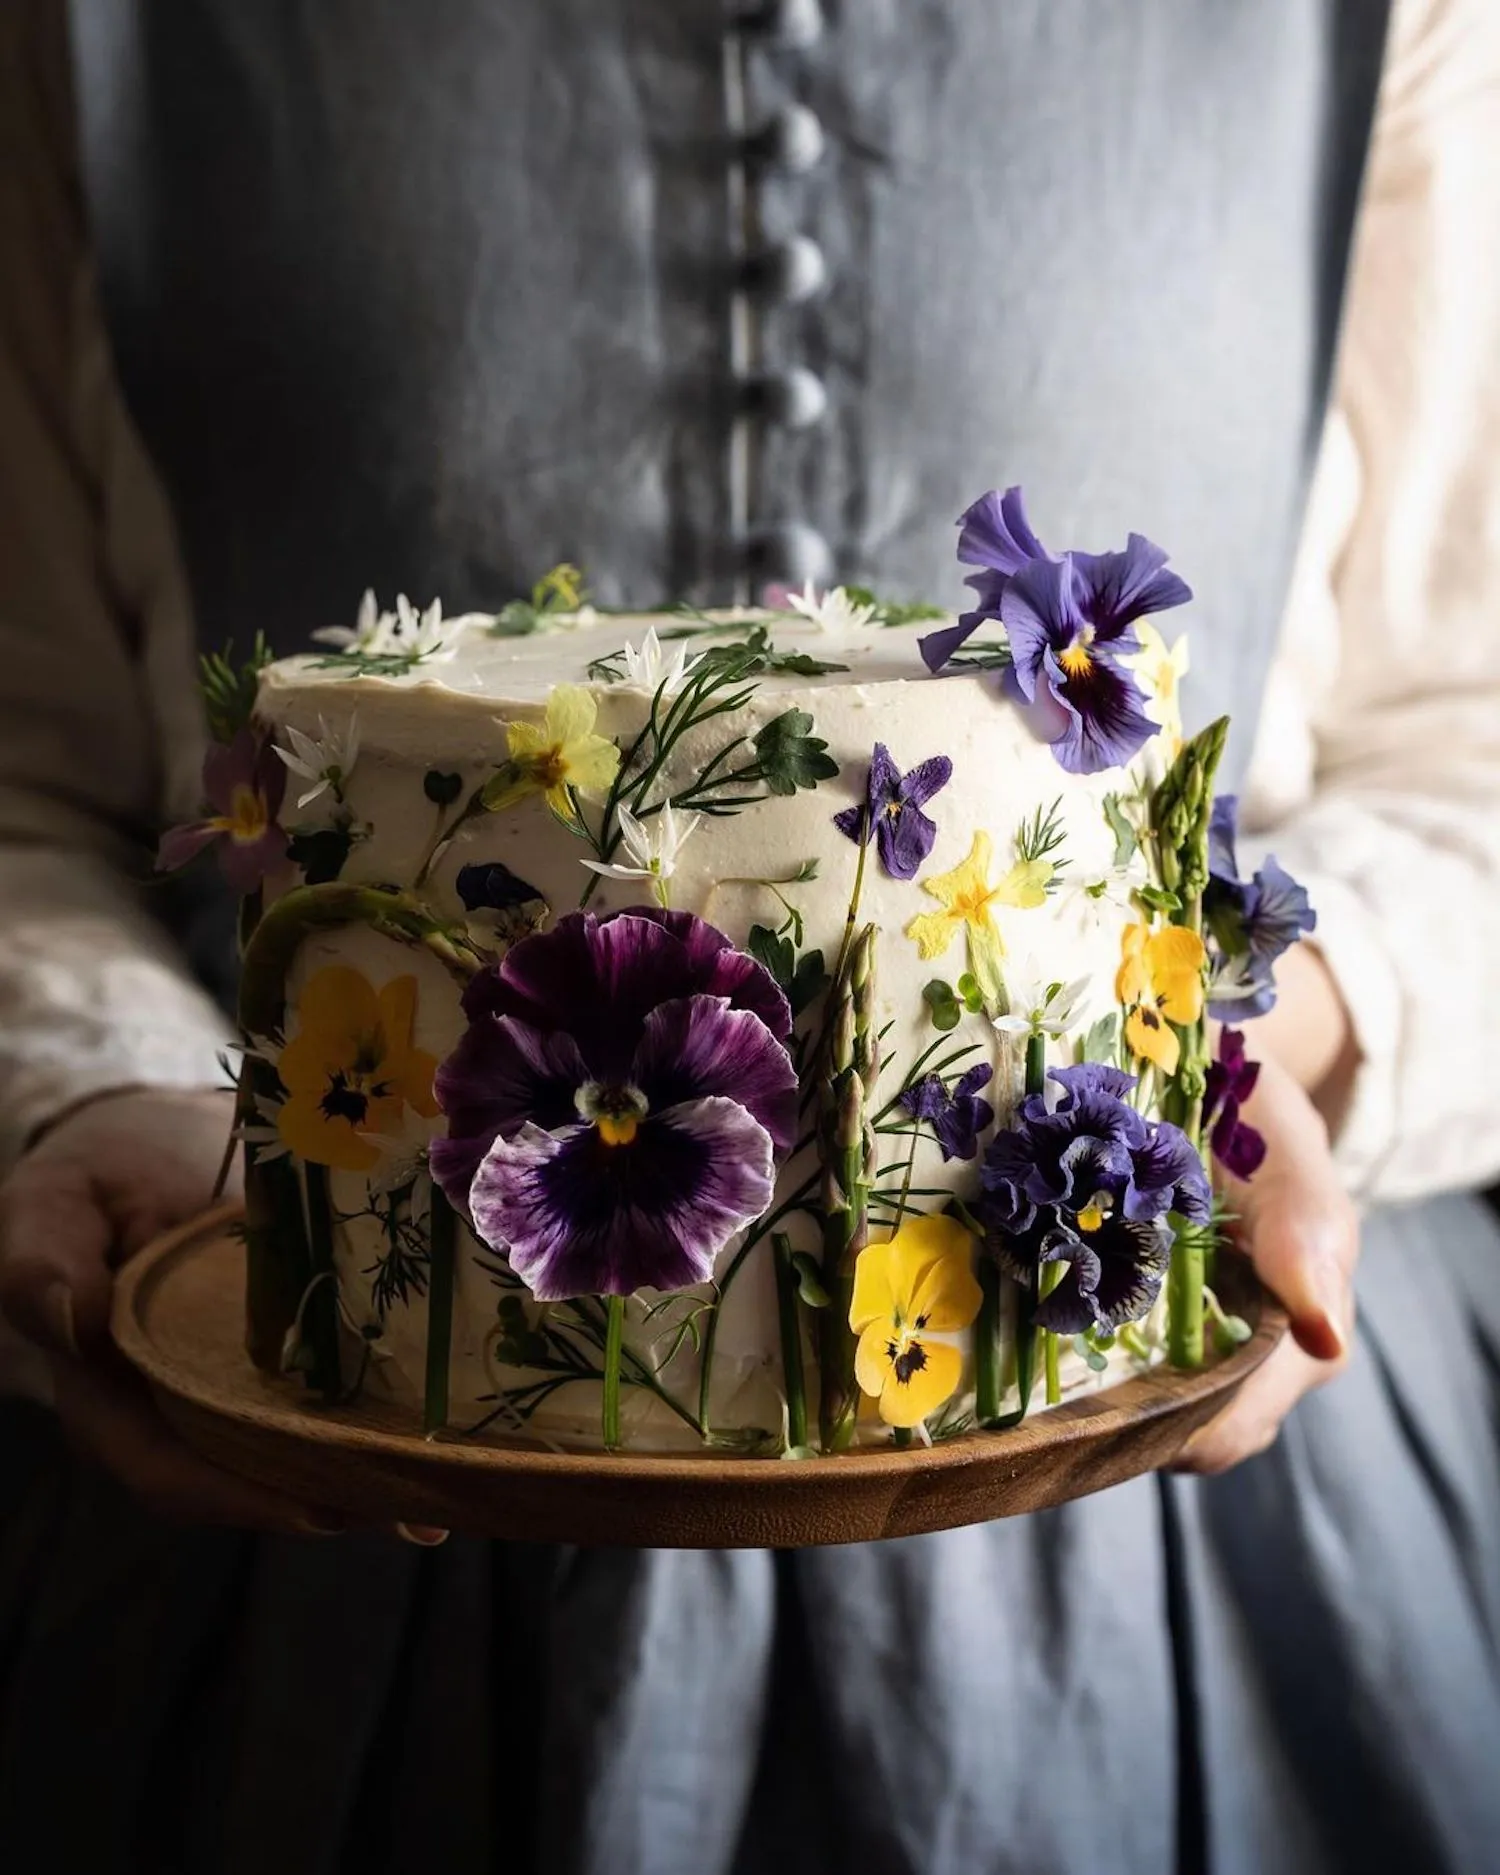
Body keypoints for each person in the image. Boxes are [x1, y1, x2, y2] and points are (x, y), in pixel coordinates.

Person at [1, 1, 1497, 1870]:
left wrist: (1297, 1045)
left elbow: (1474, 743)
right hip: (310, 1508)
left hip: (1166, 1473)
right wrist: (91, 1097)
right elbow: (25, 779)